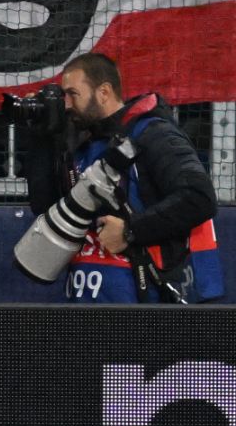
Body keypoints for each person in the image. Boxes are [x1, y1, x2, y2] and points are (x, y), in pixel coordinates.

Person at [26, 53, 219, 303]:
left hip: (143, 308)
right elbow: (45, 208)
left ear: (103, 92)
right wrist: (40, 137)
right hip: (84, 303)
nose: (67, 104)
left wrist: (130, 231)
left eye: (73, 94)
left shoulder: (153, 133)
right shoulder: (81, 144)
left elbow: (200, 198)